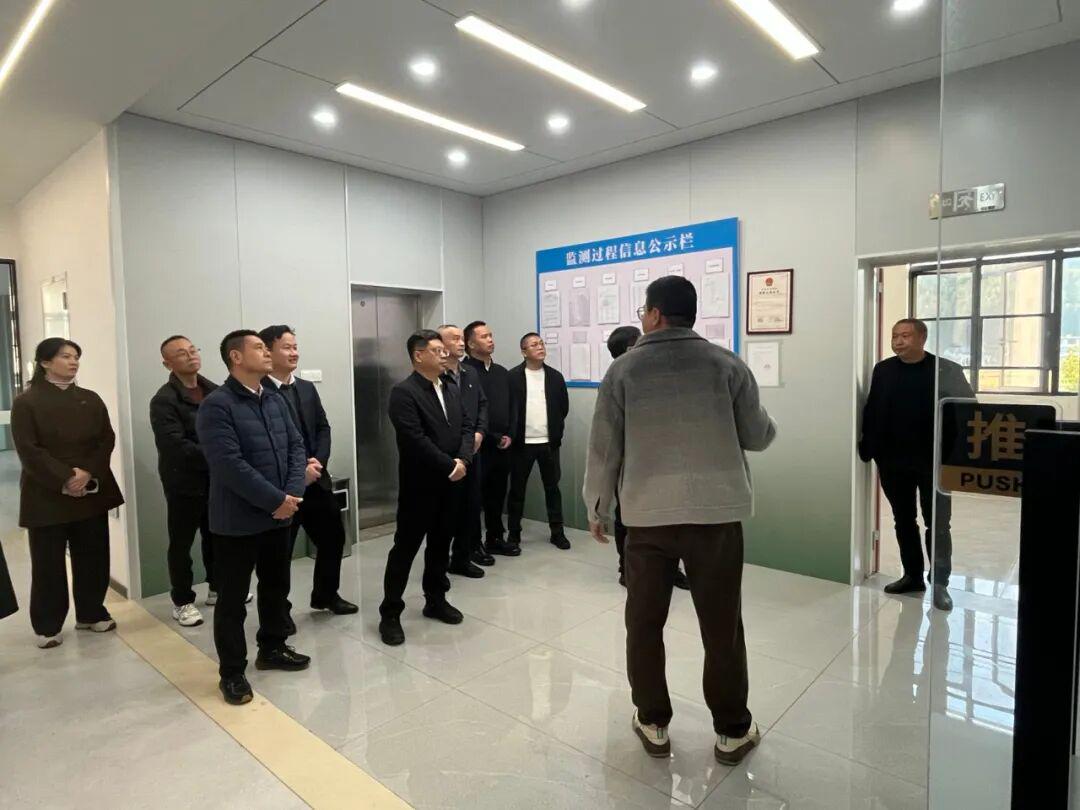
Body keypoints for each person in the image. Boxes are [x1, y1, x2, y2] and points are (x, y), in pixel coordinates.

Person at [583, 276, 776, 766]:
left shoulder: (623, 370)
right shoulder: (726, 364)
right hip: (716, 518)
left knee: (644, 623)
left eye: (644, 311)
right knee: (722, 625)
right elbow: (757, 435)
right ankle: (732, 730)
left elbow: (605, 446)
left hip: (647, 518)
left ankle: (653, 721)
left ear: (654, 314)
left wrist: (597, 505)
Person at [197, 330, 311, 705]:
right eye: (259, 348)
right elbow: (228, 464)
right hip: (237, 521)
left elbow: (296, 446)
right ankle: (232, 672)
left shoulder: (273, 398)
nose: (267, 353)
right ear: (236, 357)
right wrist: (275, 500)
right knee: (232, 600)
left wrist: (291, 495)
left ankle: (272, 648)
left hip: (280, 515)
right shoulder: (217, 405)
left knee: (276, 588)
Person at [11, 338, 125, 648]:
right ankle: (48, 625)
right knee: (48, 563)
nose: (74, 362)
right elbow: (29, 449)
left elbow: (106, 439)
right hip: (46, 492)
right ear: (45, 362)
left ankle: (91, 612)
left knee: (93, 556)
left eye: (76, 356)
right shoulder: (27, 402)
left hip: (90, 489)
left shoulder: (90, 398)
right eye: (65, 356)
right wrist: (65, 478)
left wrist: (86, 473)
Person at [859, 318, 975, 612]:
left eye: (905, 336)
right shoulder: (884, 370)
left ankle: (940, 583)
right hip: (893, 461)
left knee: (938, 523)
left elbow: (968, 413)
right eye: (894, 336)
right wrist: (869, 447)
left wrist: (958, 457)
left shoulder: (946, 370)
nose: (898, 341)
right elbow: (872, 409)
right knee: (903, 519)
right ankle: (912, 575)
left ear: (922, 338)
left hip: (934, 462)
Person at [259, 325, 358, 635]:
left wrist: (318, 462)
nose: (294, 352)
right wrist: (298, 471)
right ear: (268, 351)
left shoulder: (305, 388)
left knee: (333, 537)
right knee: (280, 554)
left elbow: (323, 427)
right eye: (287, 347)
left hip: (316, 480)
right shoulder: (259, 391)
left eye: (295, 346)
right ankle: (279, 611)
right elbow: (268, 444)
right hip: (283, 488)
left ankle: (325, 594)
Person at [379, 330, 472, 647]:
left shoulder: (450, 386)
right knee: (405, 548)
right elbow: (414, 439)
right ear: (418, 355)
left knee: (441, 544)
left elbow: (466, 426)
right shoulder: (404, 393)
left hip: (453, 482)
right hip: (420, 485)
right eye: (436, 350)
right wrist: (449, 465)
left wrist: (463, 460)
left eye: (444, 350)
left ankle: (436, 599)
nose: (444, 354)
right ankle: (390, 613)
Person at [151, 335, 236, 629]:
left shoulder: (215, 391)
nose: (190, 356)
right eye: (181, 353)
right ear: (168, 364)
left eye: (192, 350)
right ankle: (182, 601)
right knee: (181, 543)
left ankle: (216, 588)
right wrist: (218, 454)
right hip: (184, 482)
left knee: (216, 537)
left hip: (217, 479)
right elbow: (175, 445)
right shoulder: (164, 400)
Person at [604, 325, 689, 592]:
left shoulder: (655, 375)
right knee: (625, 517)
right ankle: (625, 569)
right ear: (629, 348)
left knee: (669, 516)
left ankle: (671, 569)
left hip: (663, 460)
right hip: (629, 463)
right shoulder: (615, 380)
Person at [506, 333, 570, 551]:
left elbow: (563, 408)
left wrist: (556, 431)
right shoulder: (512, 377)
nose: (540, 347)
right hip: (521, 444)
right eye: (534, 345)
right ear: (524, 352)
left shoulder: (555, 377)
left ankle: (557, 533)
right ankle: (513, 534)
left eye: (541, 343)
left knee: (553, 489)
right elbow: (508, 408)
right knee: (517, 490)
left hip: (548, 443)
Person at [438, 324, 490, 578]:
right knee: (447, 510)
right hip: (448, 454)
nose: (460, 343)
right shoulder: (436, 376)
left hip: (472, 450)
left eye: (462, 339)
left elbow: (482, 404)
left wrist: (480, 432)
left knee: (471, 505)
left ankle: (462, 557)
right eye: (455, 339)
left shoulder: (470, 373)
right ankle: (438, 563)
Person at [462, 321, 518, 557]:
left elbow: (513, 406)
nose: (490, 340)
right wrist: (492, 436)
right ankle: (473, 544)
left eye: (491, 335)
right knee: (474, 498)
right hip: (478, 445)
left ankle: (495, 538)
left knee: (497, 494)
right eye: (484, 336)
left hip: (503, 445)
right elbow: (468, 412)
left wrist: (510, 434)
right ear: (470, 343)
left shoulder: (502, 372)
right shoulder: (465, 372)